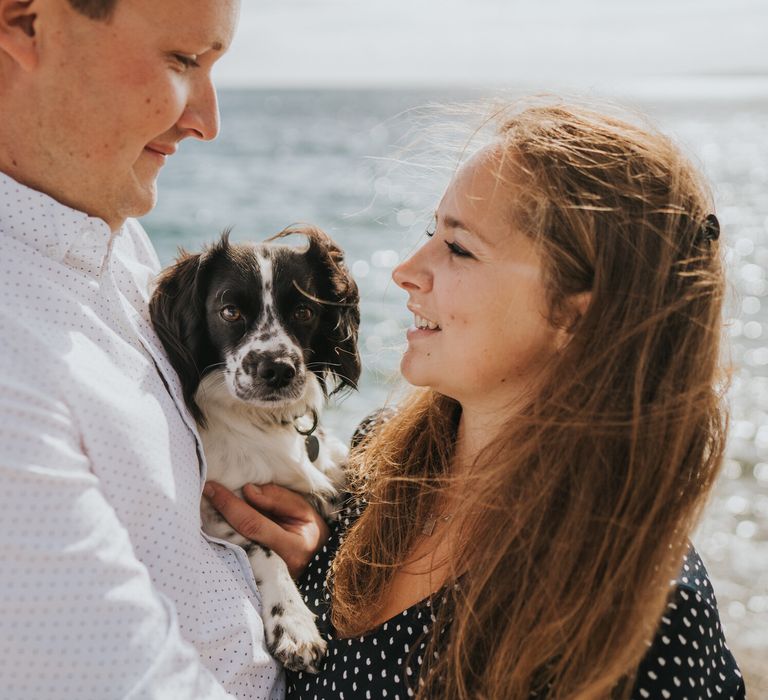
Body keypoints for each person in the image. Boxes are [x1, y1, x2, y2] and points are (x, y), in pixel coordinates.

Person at [208, 101, 746, 698]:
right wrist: (315, 565)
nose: (406, 271)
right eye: (428, 233)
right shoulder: (374, 468)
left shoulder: (649, 616)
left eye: (459, 248)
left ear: (577, 310)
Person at [0, 1, 326, 698]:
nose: (206, 122)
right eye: (183, 61)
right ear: (24, 22)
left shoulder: (112, 240)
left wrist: (279, 558)